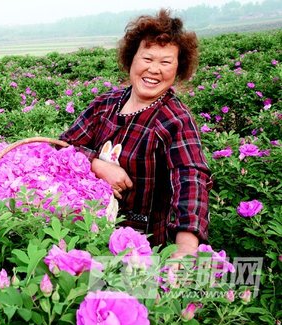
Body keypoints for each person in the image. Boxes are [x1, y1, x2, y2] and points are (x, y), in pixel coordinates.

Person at [59, 9, 212, 257]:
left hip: (143, 246)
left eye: (165, 62)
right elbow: (63, 146)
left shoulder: (176, 120)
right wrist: (96, 164)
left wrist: (186, 246)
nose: (154, 69)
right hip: (90, 234)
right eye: (147, 58)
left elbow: (190, 178)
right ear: (132, 59)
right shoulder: (105, 105)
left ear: (178, 68)